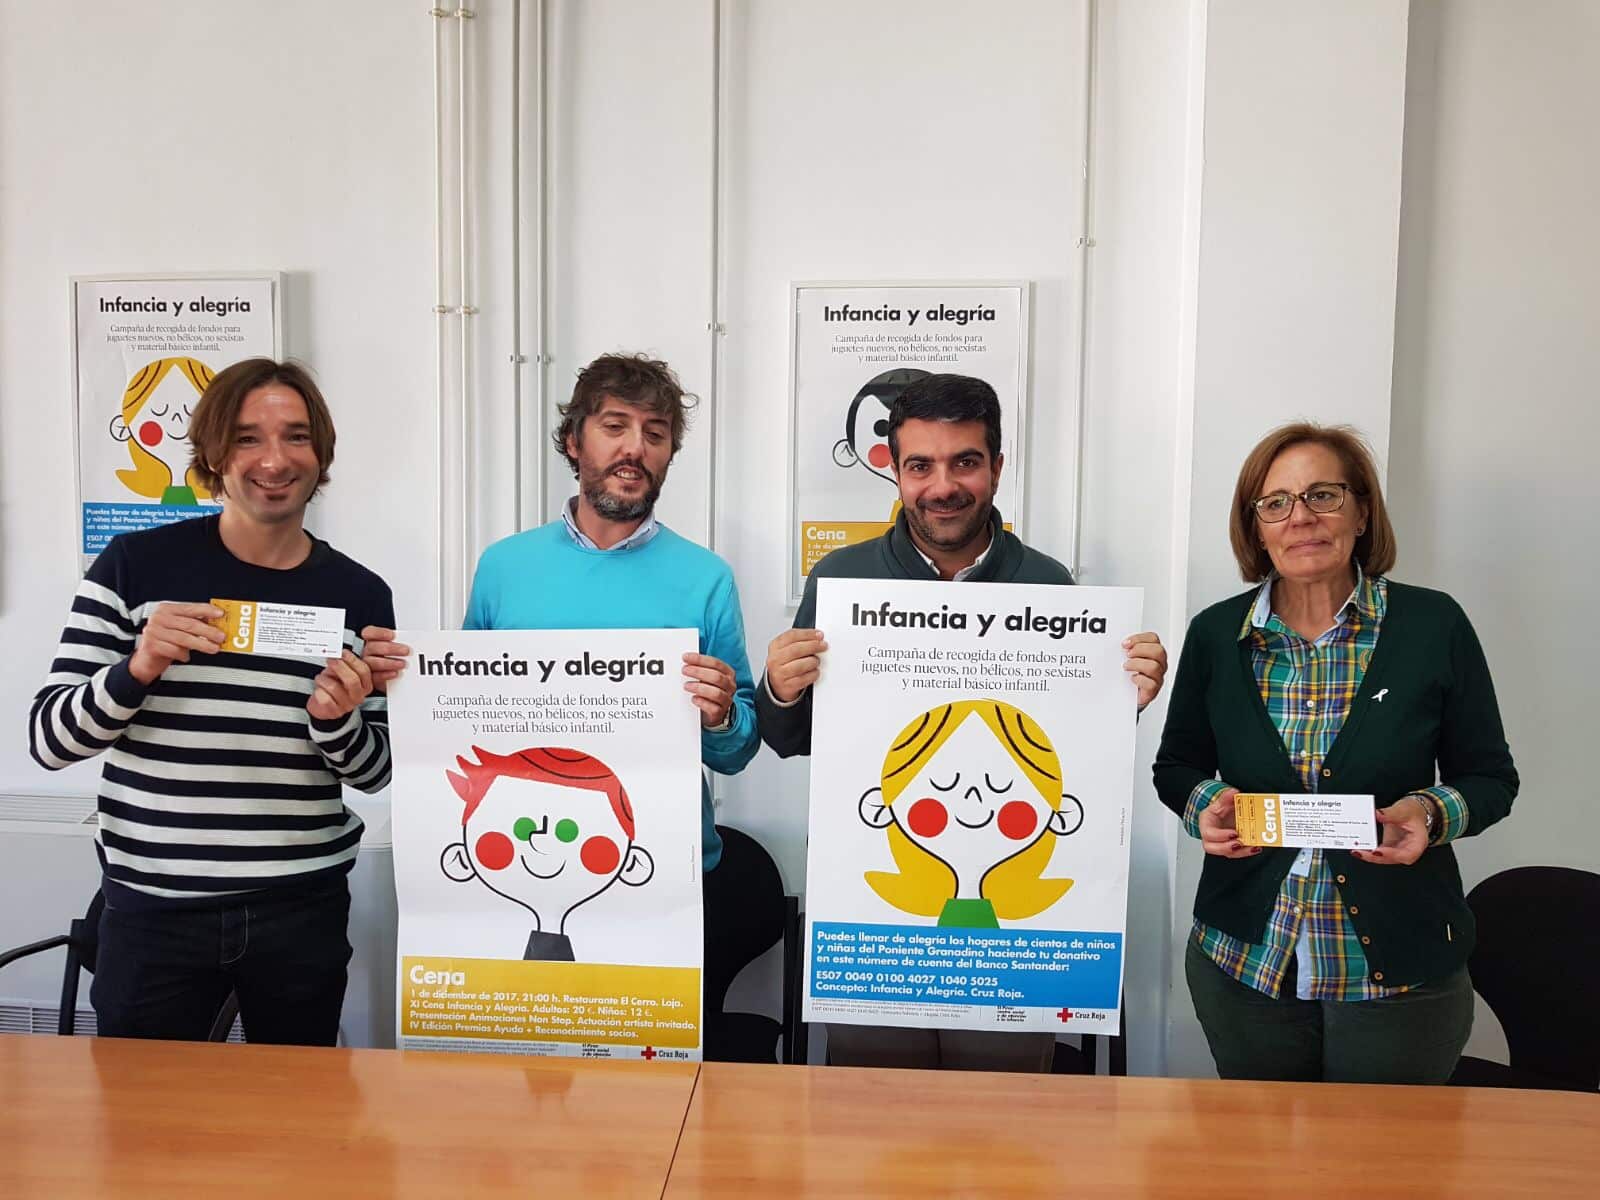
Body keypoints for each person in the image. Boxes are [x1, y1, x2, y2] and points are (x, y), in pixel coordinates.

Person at [759, 372, 1168, 1071]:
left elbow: (1056, 761)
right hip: (877, 930)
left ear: (997, 468)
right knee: (872, 1126)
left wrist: (1121, 700)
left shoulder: (1048, 585)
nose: (942, 485)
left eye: (965, 462)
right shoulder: (840, 579)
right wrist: (780, 687)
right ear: (894, 471)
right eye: (921, 465)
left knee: (1004, 1130)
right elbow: (791, 741)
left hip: (1014, 943)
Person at [362, 353, 760, 1051]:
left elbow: (738, 748)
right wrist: (403, 684)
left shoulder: (706, 579)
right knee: (510, 1091)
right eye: (615, 426)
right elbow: (465, 716)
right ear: (575, 440)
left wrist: (723, 714)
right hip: (507, 875)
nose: (635, 447)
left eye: (656, 432)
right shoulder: (504, 566)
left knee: (649, 1097)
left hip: (661, 883)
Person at [29, 358, 395, 1045]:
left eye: (296, 436)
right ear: (214, 454)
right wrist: (137, 667)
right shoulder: (134, 565)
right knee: (146, 1128)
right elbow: (49, 740)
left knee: (298, 1122)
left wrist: (334, 719)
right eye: (249, 438)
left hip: (302, 908)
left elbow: (375, 772)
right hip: (153, 913)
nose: (275, 460)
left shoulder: (361, 591)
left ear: (322, 455)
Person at [1153, 421, 1517, 1084]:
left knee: (1384, 1177)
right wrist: (1206, 807)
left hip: (1401, 979)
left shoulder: (1433, 626)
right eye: (1276, 503)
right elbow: (1176, 766)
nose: (1301, 518)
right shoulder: (1216, 634)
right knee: (1258, 1176)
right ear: (1256, 527)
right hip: (1246, 969)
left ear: (1361, 511)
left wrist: (1431, 815)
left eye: (1323, 495)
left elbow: (1491, 777)